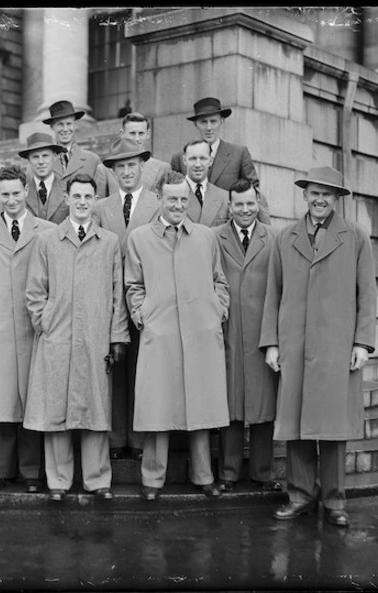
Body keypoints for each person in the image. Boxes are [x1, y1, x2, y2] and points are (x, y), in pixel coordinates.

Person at [260, 165, 378, 527]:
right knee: (295, 427)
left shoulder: (356, 237)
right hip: (294, 345)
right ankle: (300, 496)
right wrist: (272, 344)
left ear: (338, 198)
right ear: (305, 195)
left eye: (327, 193)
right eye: (314, 192)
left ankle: (334, 501)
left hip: (336, 347)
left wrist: (362, 342)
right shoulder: (285, 237)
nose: (320, 199)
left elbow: (367, 295)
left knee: (332, 428)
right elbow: (272, 294)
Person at [124, 171, 230, 501]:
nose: (179, 205)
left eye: (184, 199)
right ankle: (152, 480)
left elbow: (220, 282)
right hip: (161, 333)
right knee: (158, 409)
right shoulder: (140, 238)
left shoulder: (205, 237)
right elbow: (133, 286)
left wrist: (217, 312)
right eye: (172, 198)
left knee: (201, 409)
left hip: (200, 332)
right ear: (159, 199)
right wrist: (144, 317)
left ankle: (203, 476)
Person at [23, 174, 129, 502]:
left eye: (88, 196)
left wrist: (117, 337)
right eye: (77, 196)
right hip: (57, 337)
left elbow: (117, 294)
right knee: (56, 410)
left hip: (95, 336)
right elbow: (35, 291)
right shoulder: (48, 240)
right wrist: (45, 324)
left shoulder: (109, 242)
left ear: (95, 200)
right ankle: (58, 480)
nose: (82, 202)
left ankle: (97, 480)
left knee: (95, 410)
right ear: (67, 199)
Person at [0, 166, 56, 494]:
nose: (12, 200)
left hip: (35, 329)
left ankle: (32, 473)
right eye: (5, 194)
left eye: (17, 193)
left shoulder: (47, 231)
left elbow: (56, 280)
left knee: (32, 402)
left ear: (26, 192)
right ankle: (0, 471)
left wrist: (47, 318)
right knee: (2, 404)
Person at [94, 137, 161, 461]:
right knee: (114, 370)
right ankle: (115, 437)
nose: (126, 172)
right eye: (120, 166)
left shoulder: (156, 204)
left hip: (145, 299)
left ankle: (138, 439)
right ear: (113, 171)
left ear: (142, 167)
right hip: (109, 300)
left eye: (132, 165)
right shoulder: (101, 207)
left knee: (142, 370)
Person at [213, 178, 281, 493]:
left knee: (263, 407)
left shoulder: (275, 238)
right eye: (238, 204)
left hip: (262, 334)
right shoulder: (215, 238)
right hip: (228, 331)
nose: (244, 210)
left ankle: (262, 473)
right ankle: (228, 472)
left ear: (258, 204)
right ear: (230, 206)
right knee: (231, 404)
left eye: (250, 203)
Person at [94, 112, 172, 196]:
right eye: (132, 133)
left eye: (141, 133)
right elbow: (99, 205)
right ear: (122, 134)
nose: (137, 138)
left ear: (148, 134)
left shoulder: (162, 168)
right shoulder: (104, 170)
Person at [42, 100, 103, 188]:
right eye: (60, 124)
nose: (65, 129)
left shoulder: (93, 160)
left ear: (76, 124)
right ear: (52, 126)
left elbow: (100, 196)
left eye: (69, 124)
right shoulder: (42, 162)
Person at [19, 132, 70, 224]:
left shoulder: (67, 188)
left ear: (54, 157)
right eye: (35, 157)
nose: (41, 162)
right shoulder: (20, 191)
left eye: (45, 156)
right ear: (29, 160)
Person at [180, 140, 232, 227]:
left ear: (211, 160)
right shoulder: (172, 194)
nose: (198, 164)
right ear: (184, 160)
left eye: (203, 158)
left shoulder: (225, 198)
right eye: (193, 159)